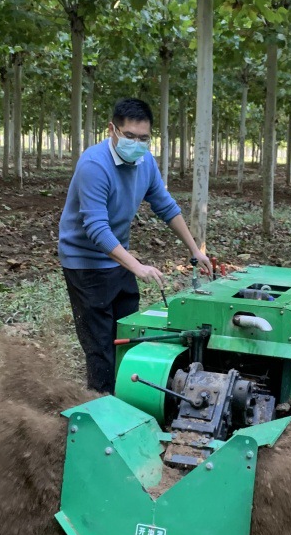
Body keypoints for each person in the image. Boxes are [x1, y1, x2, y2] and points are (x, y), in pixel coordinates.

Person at [58, 97, 212, 394]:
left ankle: (128, 394)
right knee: (100, 342)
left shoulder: (145, 163)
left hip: (118, 258)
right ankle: (101, 402)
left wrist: (195, 249)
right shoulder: (94, 164)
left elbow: (166, 206)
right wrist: (137, 265)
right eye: (129, 136)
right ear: (112, 130)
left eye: (144, 138)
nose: (137, 143)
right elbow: (95, 228)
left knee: (128, 330)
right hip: (85, 261)